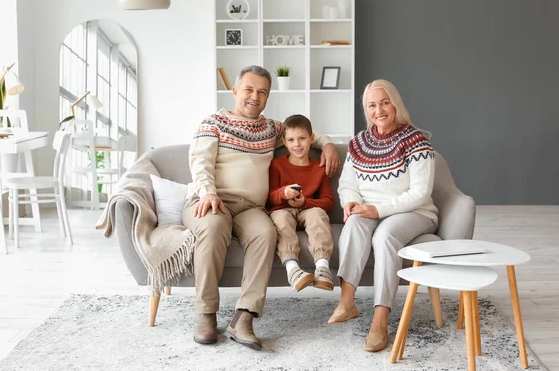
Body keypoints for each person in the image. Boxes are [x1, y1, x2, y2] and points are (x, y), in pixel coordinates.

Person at [182, 65, 341, 351]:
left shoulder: (271, 128)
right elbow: (200, 162)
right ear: (235, 91)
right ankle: (206, 314)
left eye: (262, 92)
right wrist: (208, 192)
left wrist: (328, 145)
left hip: (251, 208)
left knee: (266, 233)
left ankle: (244, 317)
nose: (255, 97)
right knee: (214, 226)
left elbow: (306, 133)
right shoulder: (213, 122)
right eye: (249, 90)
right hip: (211, 200)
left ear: (267, 97)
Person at [329, 79, 438, 353]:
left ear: (395, 104)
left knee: (386, 236)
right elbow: (348, 184)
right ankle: (347, 302)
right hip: (370, 209)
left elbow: (421, 193)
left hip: (414, 211)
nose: (379, 110)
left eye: (384, 102)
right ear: (366, 110)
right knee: (353, 223)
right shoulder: (359, 143)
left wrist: (378, 209)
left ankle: (381, 319)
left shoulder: (415, 141)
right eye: (372, 105)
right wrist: (351, 202)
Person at [267, 114, 335, 293]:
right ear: (284, 142)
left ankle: (322, 268)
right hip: (282, 209)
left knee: (318, 214)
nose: (297, 144)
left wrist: (306, 202)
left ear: (312, 139)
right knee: (280, 219)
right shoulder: (276, 165)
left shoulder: (318, 169)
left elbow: (328, 202)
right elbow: (270, 197)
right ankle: (293, 270)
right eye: (291, 140)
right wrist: (283, 193)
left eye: (302, 138)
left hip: (308, 208)